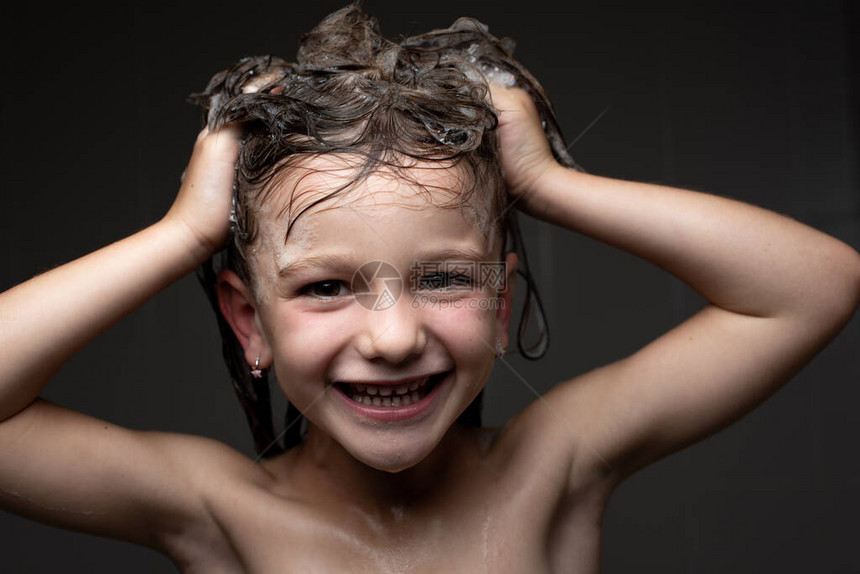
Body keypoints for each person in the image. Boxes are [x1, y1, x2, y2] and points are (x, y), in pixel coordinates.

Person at [1, 3, 858, 572]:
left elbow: (813, 286)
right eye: (327, 287)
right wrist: (180, 235)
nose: (393, 336)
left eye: (446, 278)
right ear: (246, 323)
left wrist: (555, 187)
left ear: (502, 303)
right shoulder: (218, 510)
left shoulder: (554, 464)